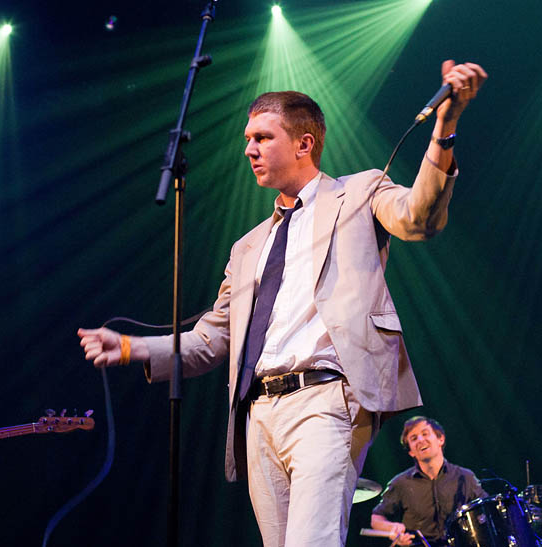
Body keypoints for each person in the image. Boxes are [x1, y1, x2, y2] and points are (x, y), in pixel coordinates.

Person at [78, 60, 487, 546]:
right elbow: (213, 339)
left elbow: (419, 218)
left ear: (303, 143)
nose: (249, 149)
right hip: (258, 413)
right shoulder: (248, 247)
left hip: (326, 398)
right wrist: (131, 347)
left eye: (262, 138)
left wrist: (445, 126)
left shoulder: (358, 191)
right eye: (247, 140)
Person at [370, 416, 487, 546]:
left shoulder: (465, 477)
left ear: (440, 439)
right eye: (413, 438)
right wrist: (392, 529)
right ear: (411, 452)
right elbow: (376, 518)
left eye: (425, 434)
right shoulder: (401, 483)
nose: (420, 440)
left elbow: (486, 511)